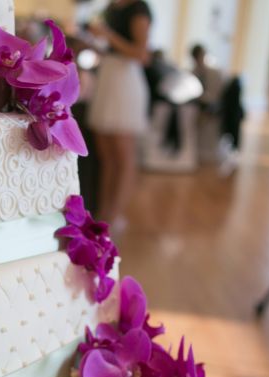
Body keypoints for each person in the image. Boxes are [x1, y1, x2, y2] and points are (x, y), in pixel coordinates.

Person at [87, 0, 152, 225]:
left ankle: (115, 216)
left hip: (126, 82)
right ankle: (104, 212)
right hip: (109, 76)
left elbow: (141, 54)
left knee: (123, 156)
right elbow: (113, 49)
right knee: (106, 157)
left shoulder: (139, 9)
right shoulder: (111, 8)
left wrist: (107, 34)